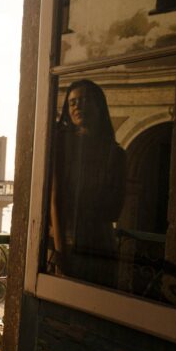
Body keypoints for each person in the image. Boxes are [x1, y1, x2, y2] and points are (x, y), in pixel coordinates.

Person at [50, 79, 126, 287]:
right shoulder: (61, 145)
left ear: (99, 106)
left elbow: (114, 210)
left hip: (101, 244)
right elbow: (55, 200)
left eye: (84, 101)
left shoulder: (116, 154)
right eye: (73, 102)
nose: (77, 107)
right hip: (67, 241)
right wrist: (60, 253)